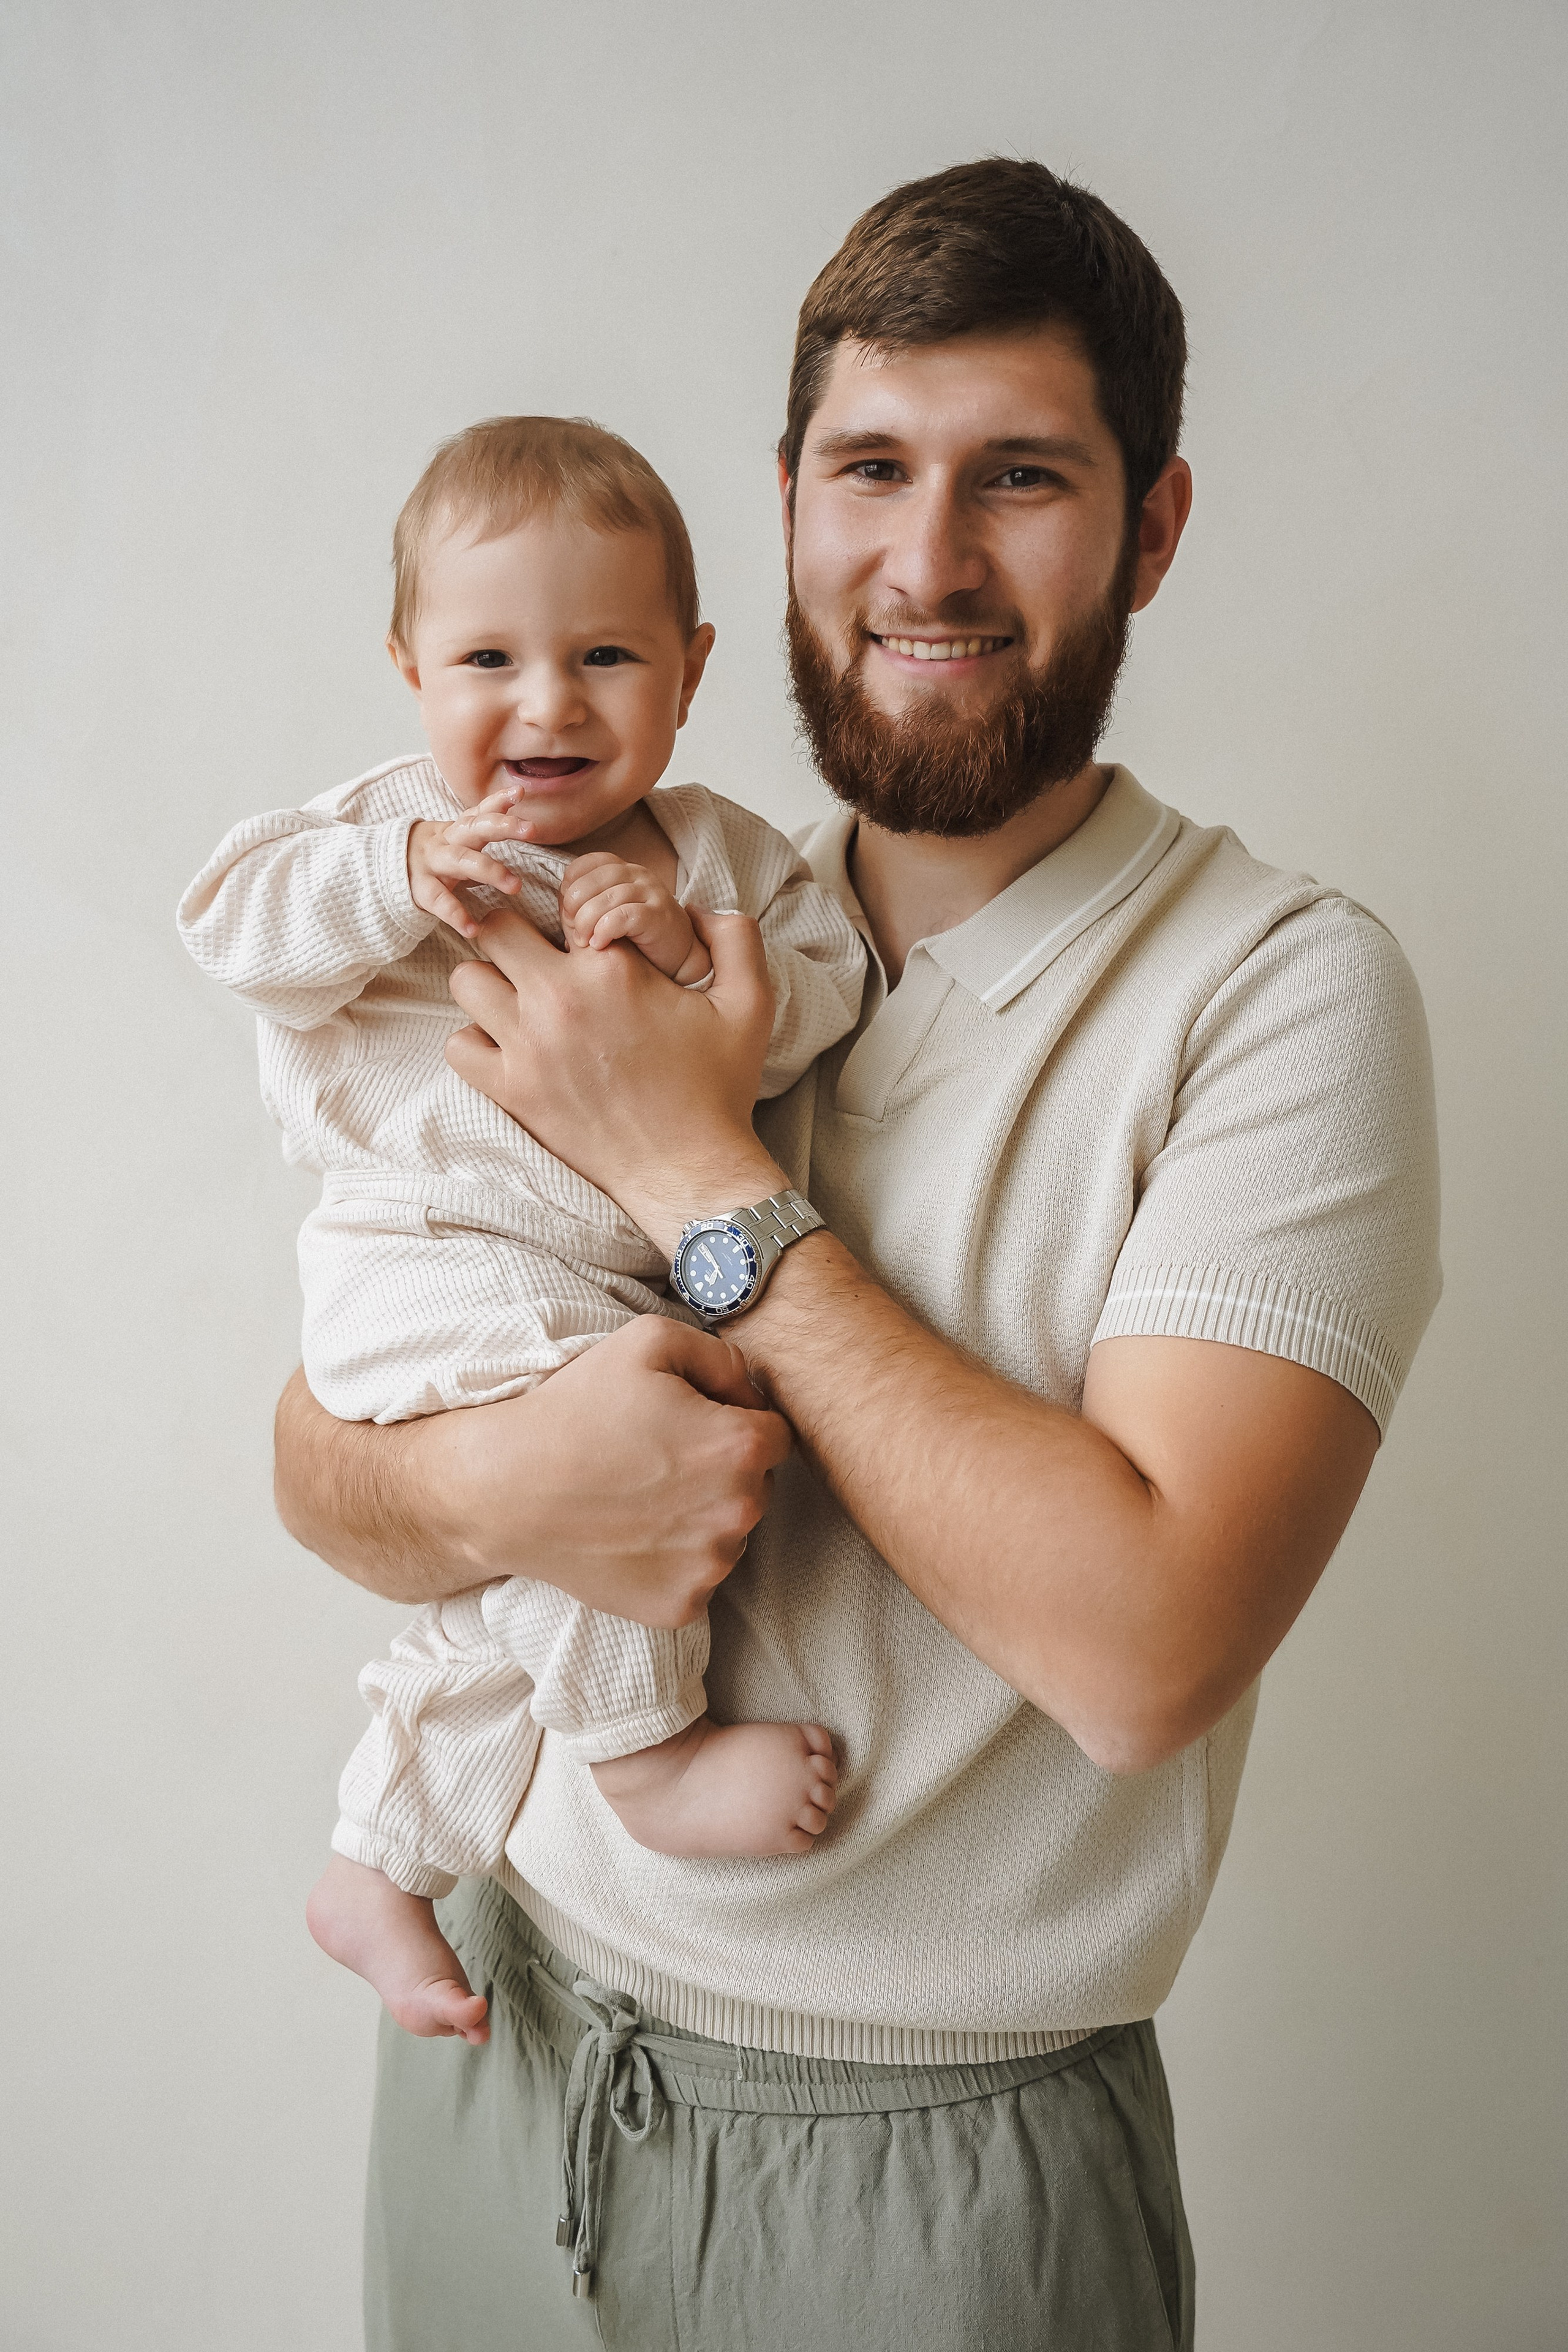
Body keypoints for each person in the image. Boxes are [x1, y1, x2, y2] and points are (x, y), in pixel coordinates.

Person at [274, 159, 1441, 2351]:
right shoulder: (649, 906)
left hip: (931, 2178)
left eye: (1024, 478)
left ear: (1154, 529)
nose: (928, 561)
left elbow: (1147, 1650)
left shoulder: (1279, 996)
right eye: (872, 469)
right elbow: (325, 1451)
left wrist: (693, 1172)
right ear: (788, 508)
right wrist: (495, 1479)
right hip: (499, 2058)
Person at [179, 417, 862, 2046]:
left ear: (690, 671)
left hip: (580, 1280)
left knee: (512, 1590)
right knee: (606, 1462)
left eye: (605, 656)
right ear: (410, 668)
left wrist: (695, 958)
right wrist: (394, 877)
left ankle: (380, 1855)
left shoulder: (721, 859)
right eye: (490, 658)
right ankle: (647, 1756)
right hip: (414, 1255)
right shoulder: (380, 831)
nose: (548, 705)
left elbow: (826, 996)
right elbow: (227, 928)